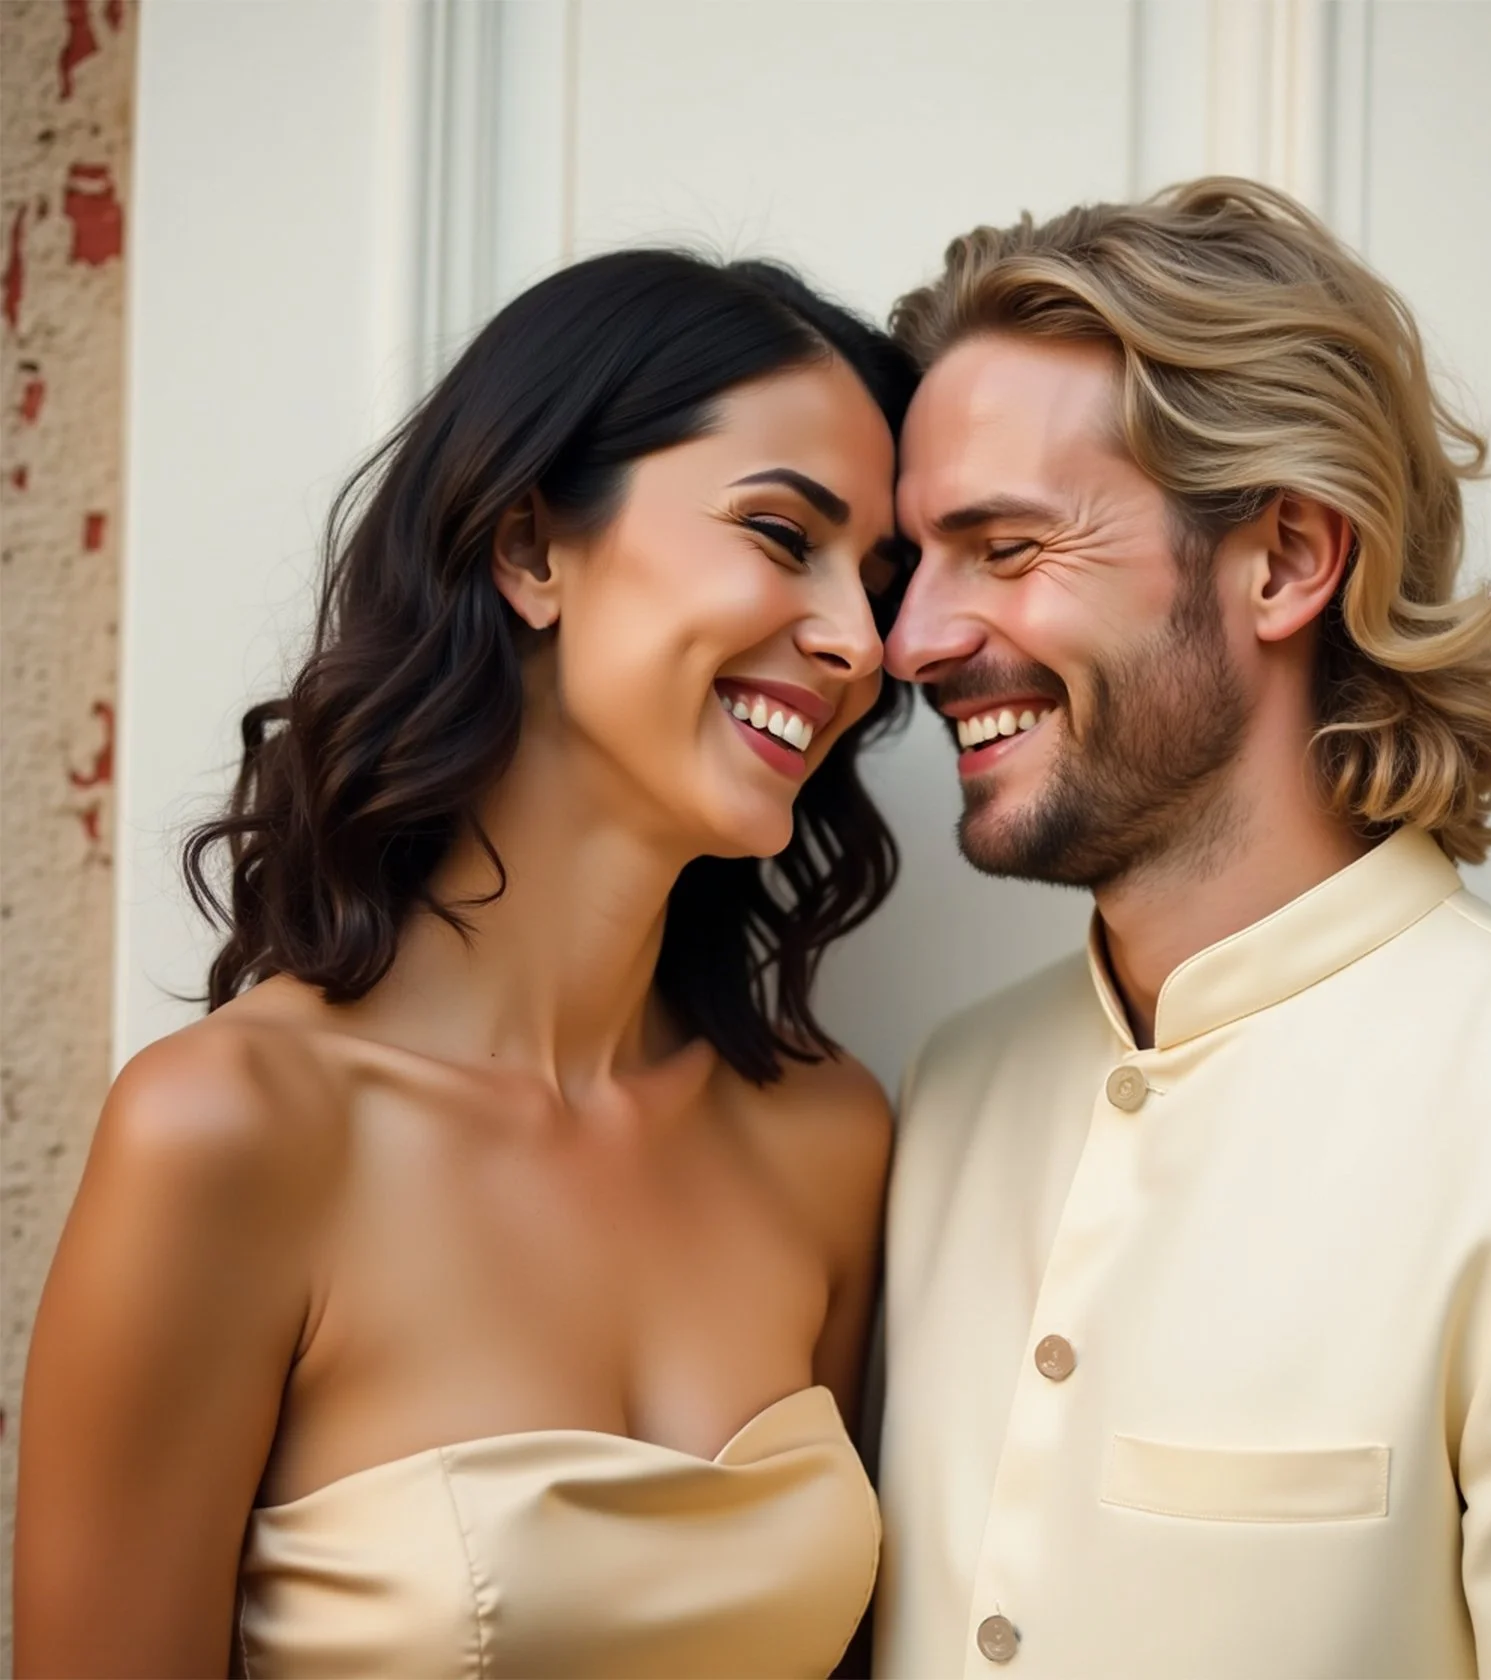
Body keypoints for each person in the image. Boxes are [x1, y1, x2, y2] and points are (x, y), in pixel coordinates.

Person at [17, 250, 917, 1679]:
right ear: (528, 549)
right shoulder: (232, 1137)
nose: (862, 644)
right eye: (779, 535)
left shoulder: (827, 1138)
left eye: (877, 580)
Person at [873, 179, 1491, 1679]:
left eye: (1007, 547)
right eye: (910, 564)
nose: (911, 640)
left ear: (1288, 559)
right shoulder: (948, 1095)